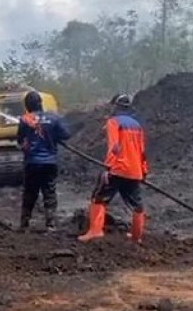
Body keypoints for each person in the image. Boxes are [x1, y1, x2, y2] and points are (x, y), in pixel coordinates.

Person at [78, 93, 149, 243]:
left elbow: (114, 147)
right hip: (135, 171)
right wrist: (144, 170)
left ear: (116, 106)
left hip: (118, 168)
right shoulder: (138, 126)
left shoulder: (113, 122)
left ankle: (95, 231)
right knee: (137, 204)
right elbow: (142, 151)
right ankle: (137, 236)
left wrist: (108, 168)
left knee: (99, 198)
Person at [17, 91, 71, 232]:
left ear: (27, 106)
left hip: (32, 163)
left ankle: (24, 224)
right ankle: (50, 224)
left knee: (29, 192)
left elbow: (20, 140)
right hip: (49, 162)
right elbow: (66, 135)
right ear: (41, 103)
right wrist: (54, 135)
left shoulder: (24, 120)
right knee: (49, 192)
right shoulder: (53, 118)